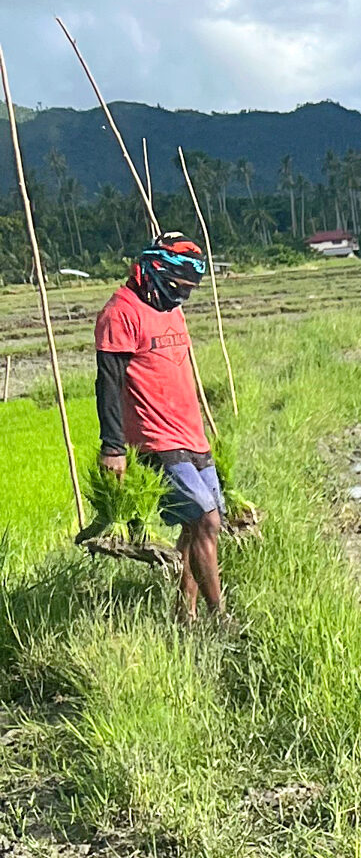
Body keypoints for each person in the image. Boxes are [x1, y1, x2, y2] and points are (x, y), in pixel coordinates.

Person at [94, 233, 227, 623]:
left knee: (197, 526)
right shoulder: (120, 312)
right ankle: (220, 617)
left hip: (190, 433)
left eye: (188, 290)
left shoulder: (172, 310)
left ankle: (184, 614)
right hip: (155, 438)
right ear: (152, 271)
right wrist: (113, 448)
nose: (181, 297)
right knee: (206, 520)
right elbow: (107, 384)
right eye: (176, 287)